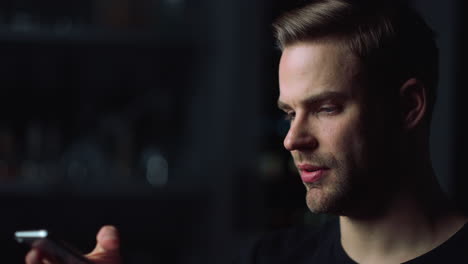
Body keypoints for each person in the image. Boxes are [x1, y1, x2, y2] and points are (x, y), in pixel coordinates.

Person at [25, 0, 468, 263]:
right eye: (289, 112)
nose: (293, 139)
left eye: (327, 108)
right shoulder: (271, 259)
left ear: (409, 106)